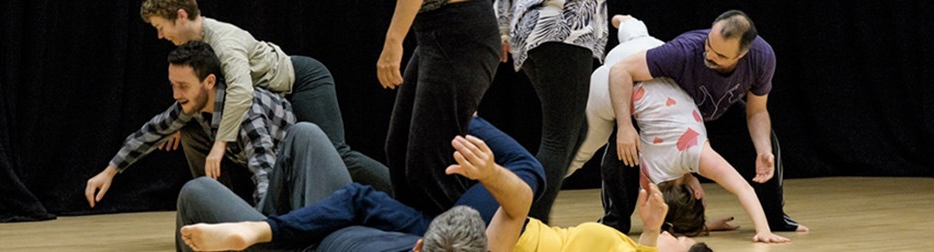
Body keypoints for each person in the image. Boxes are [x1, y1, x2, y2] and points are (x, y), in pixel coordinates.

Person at [174, 117, 711, 252]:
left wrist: (489, 173)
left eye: (683, 243)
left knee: (194, 195)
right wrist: (651, 230)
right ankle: (269, 228)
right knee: (311, 139)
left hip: (491, 232)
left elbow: (519, 204)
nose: (678, 237)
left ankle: (267, 232)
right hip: (453, 229)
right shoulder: (636, 245)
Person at [139, 0, 391, 195]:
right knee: (191, 132)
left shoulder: (223, 42)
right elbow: (204, 89)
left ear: (181, 16)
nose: (160, 35)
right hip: (273, 98)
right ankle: (222, 211)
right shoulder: (194, 45)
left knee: (335, 154)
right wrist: (183, 117)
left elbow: (240, 92)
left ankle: (406, 195)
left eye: (160, 27)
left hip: (303, 82)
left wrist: (220, 143)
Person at [84, 42, 350, 217]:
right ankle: (218, 210)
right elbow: (152, 131)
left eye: (183, 86)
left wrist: (259, 230)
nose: (176, 94)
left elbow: (264, 170)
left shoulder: (245, 110)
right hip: (267, 171)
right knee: (187, 131)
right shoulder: (194, 104)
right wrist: (110, 171)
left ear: (209, 81)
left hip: (293, 177)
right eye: (172, 85)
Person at [606, 10, 807, 232]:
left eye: (720, 55)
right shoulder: (683, 51)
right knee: (622, 145)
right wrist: (625, 126)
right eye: (709, 45)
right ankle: (614, 222)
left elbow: (757, 111)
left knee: (767, 149)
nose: (710, 55)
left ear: (742, 55)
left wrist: (763, 150)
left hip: (716, 112)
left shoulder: (762, 57)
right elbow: (622, 70)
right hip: (675, 117)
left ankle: (774, 219)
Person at [377, 0, 501, 216]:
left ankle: (459, 243)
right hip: (432, 32)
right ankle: (416, 239)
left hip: (459, 30)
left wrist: (393, 41)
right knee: (399, 150)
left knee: (430, 167)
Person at [493, 0, 608, 224]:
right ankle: (529, 221)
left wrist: (502, 28)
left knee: (577, 130)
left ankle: (529, 213)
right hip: (563, 25)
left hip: (530, 28)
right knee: (558, 139)